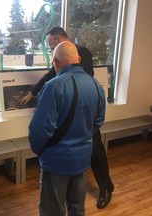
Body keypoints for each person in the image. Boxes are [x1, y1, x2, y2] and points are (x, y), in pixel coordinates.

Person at [20, 27, 114, 209]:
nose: (49, 47)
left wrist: (41, 152)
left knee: (53, 207)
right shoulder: (96, 85)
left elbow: (39, 130)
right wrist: (32, 92)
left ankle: (106, 188)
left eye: (50, 44)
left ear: (57, 40)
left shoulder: (57, 82)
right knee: (77, 205)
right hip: (81, 153)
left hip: (62, 152)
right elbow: (99, 119)